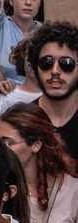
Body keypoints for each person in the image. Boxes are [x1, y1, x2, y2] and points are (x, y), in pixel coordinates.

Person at [25, 22, 78, 163]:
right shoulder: (22, 121)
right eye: (46, 63)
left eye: (66, 63)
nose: (55, 71)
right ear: (35, 68)